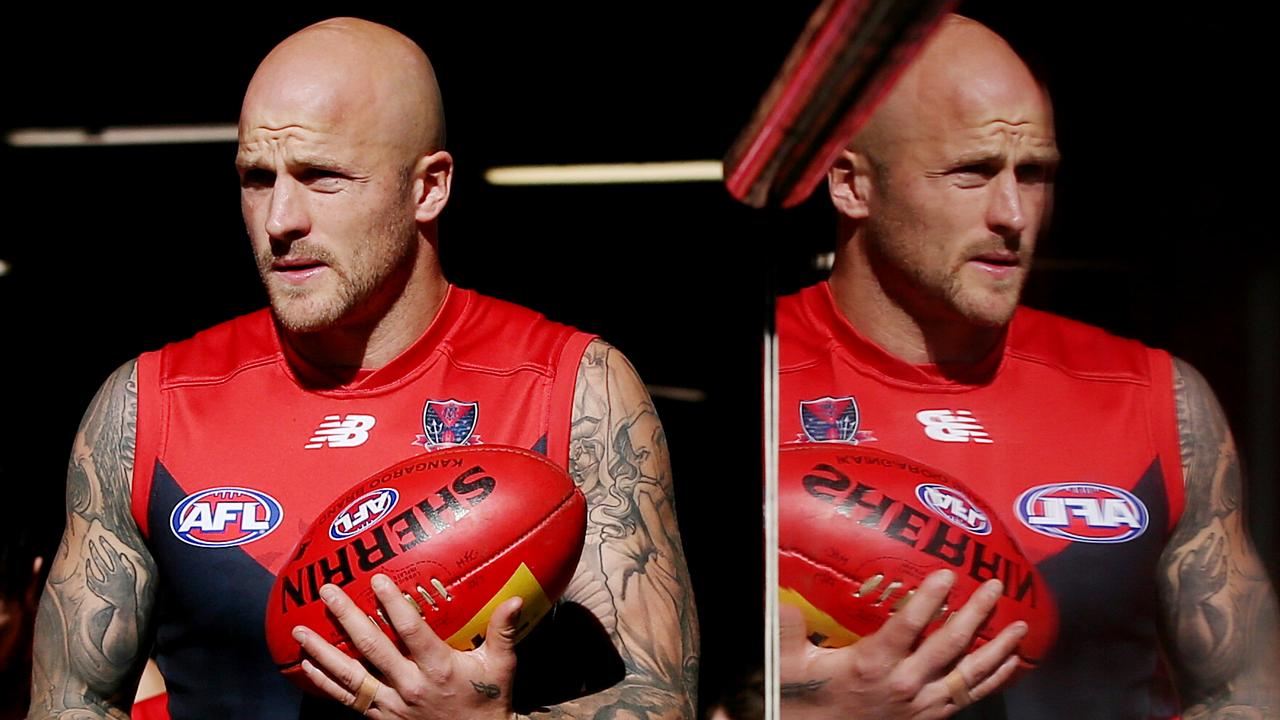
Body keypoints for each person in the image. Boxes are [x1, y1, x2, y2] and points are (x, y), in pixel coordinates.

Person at [30, 17, 697, 719]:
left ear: (429, 188)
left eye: (323, 178)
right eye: (258, 179)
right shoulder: (147, 406)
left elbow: (660, 699)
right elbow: (70, 701)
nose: (280, 219)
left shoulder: (572, 390)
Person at [777, 14, 1279, 720]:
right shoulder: (755, 381)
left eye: (1034, 173)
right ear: (851, 185)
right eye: (972, 173)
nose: (1014, 213)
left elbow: (1245, 690)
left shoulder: (1156, 397)